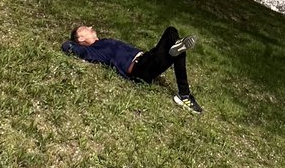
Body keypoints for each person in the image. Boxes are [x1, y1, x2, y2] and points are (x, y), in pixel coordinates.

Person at [61, 24, 203, 113]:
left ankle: (177, 48)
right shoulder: (94, 50)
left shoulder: (103, 42)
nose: (91, 27)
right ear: (80, 38)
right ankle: (184, 95)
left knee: (171, 32)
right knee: (176, 49)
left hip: (147, 57)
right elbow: (68, 47)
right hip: (140, 69)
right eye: (86, 29)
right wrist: (74, 45)